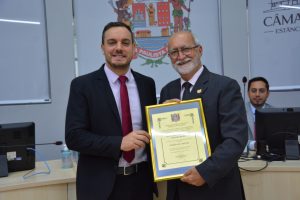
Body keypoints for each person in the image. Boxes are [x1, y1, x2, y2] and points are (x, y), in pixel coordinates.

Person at [65, 22, 157, 200]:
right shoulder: (82, 85)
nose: (119, 48)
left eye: (125, 43)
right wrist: (119, 143)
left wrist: (169, 112)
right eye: (112, 42)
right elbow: (74, 137)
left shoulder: (147, 84)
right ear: (102, 47)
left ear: (134, 48)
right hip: (100, 187)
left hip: (141, 184)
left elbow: (151, 130)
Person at [159, 31, 248, 200]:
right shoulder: (167, 91)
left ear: (199, 50)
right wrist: (160, 122)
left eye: (186, 49)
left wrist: (205, 172)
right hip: (179, 189)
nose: (181, 56)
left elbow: (235, 139)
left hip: (216, 188)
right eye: (174, 52)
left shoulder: (224, 86)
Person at [246, 77, 272, 151]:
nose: (257, 94)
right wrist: (254, 145)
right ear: (248, 93)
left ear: (267, 93)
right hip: (246, 158)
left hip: (269, 155)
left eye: (261, 91)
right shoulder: (238, 111)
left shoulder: (275, 113)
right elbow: (235, 138)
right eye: (253, 91)